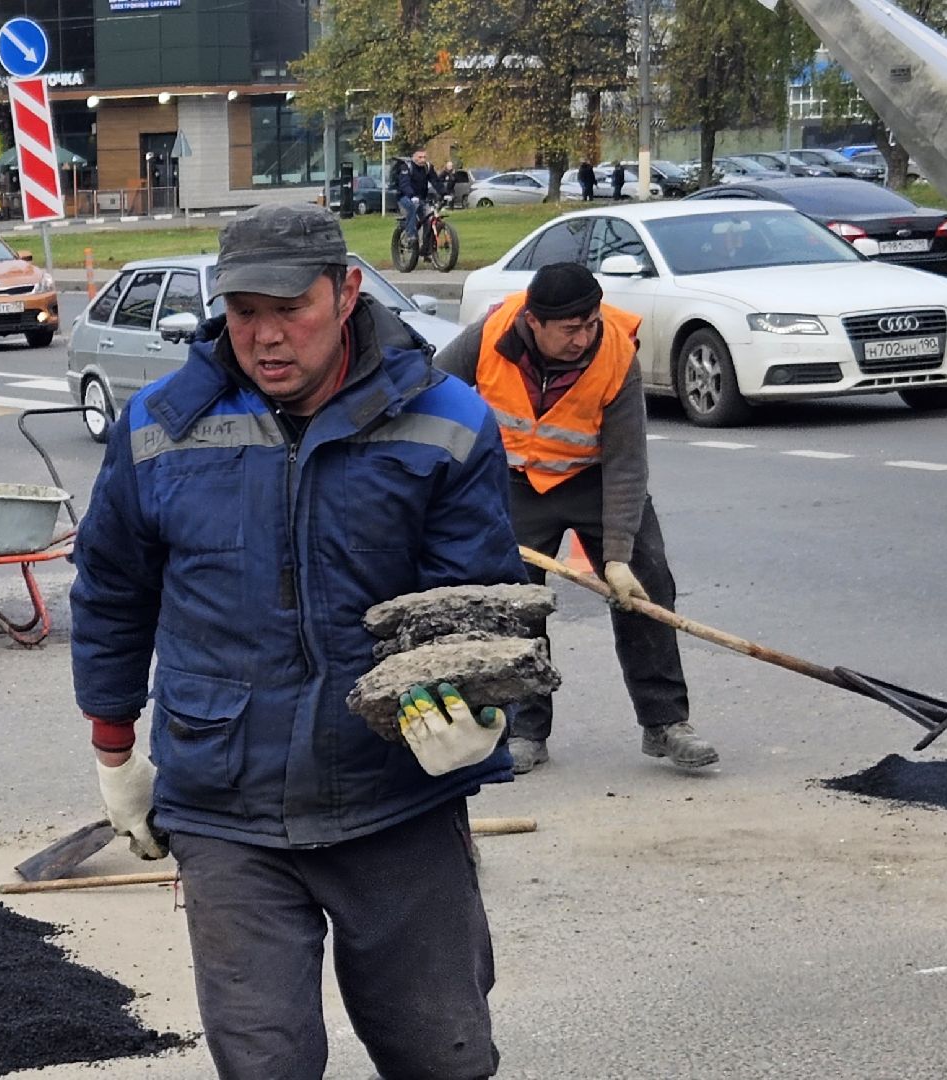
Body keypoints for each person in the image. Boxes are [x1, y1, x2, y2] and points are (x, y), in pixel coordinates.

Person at [71, 203, 530, 1080]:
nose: (266, 336)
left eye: (291, 309)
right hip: (225, 802)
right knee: (265, 1065)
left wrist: (480, 706)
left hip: (395, 795)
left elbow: (475, 601)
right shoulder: (161, 427)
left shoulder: (446, 421)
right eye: (245, 312)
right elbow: (112, 592)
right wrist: (113, 746)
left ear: (348, 290)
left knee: (443, 1054)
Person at [431, 263, 717, 775]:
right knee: (514, 604)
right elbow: (431, 395)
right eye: (570, 329)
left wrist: (617, 556)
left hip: (594, 480)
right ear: (534, 322)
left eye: (590, 324)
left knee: (646, 586)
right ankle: (525, 728)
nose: (583, 338)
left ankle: (665, 723)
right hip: (516, 482)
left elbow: (628, 460)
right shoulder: (490, 336)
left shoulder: (614, 352)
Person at [396, 149, 440, 246]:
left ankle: (427, 248)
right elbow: (404, 184)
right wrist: (411, 195)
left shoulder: (427, 167)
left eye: (424, 157)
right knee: (412, 208)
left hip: (421, 198)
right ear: (414, 157)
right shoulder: (406, 167)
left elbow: (436, 181)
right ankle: (410, 236)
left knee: (429, 219)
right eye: (420, 157)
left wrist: (444, 193)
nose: (422, 160)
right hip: (405, 197)